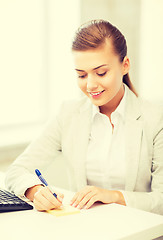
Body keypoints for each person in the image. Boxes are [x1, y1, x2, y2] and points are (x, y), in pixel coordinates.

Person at [5, 20, 163, 215]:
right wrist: (35, 191)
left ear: (125, 65)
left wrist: (114, 196)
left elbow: (160, 199)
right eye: (81, 75)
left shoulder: (155, 120)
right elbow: (16, 171)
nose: (90, 85)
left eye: (101, 73)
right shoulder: (68, 114)